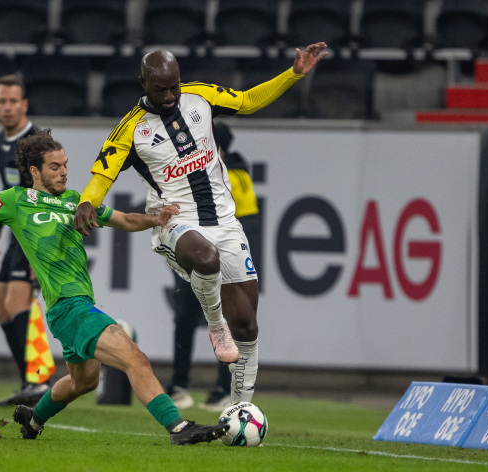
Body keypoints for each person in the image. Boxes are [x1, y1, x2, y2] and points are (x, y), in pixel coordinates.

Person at [0, 129, 229, 445]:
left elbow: (124, 219)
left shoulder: (75, 201)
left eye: (65, 165)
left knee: (84, 382)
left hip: (78, 306)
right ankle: (178, 428)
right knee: (135, 359)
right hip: (68, 307)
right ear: (34, 172)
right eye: (55, 167)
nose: (64, 172)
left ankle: (33, 419)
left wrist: (156, 219)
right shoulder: (14, 200)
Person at [75, 43, 328, 405]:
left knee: (248, 325)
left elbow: (247, 101)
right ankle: (215, 325)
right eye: (160, 89)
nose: (169, 96)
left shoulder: (201, 96)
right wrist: (87, 202)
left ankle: (241, 407)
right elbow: (102, 175)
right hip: (174, 223)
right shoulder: (130, 129)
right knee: (206, 259)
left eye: (173, 87)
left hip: (225, 221)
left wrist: (293, 75)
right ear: (143, 84)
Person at [167, 121, 263, 412]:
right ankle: (182, 385)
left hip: (222, 259)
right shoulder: (196, 170)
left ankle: (220, 388)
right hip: (200, 254)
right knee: (188, 318)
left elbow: (246, 226)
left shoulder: (232, 176)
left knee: (225, 321)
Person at [0, 74, 46, 408]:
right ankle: (29, 382)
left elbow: (48, 196)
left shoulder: (35, 143)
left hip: (33, 234)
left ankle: (39, 380)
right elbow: (12, 193)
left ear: (24, 105)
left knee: (18, 303)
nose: (7, 107)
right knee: (0, 306)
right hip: (16, 232)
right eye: (1, 101)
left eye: (13, 101)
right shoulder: (3, 139)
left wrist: (39, 252)